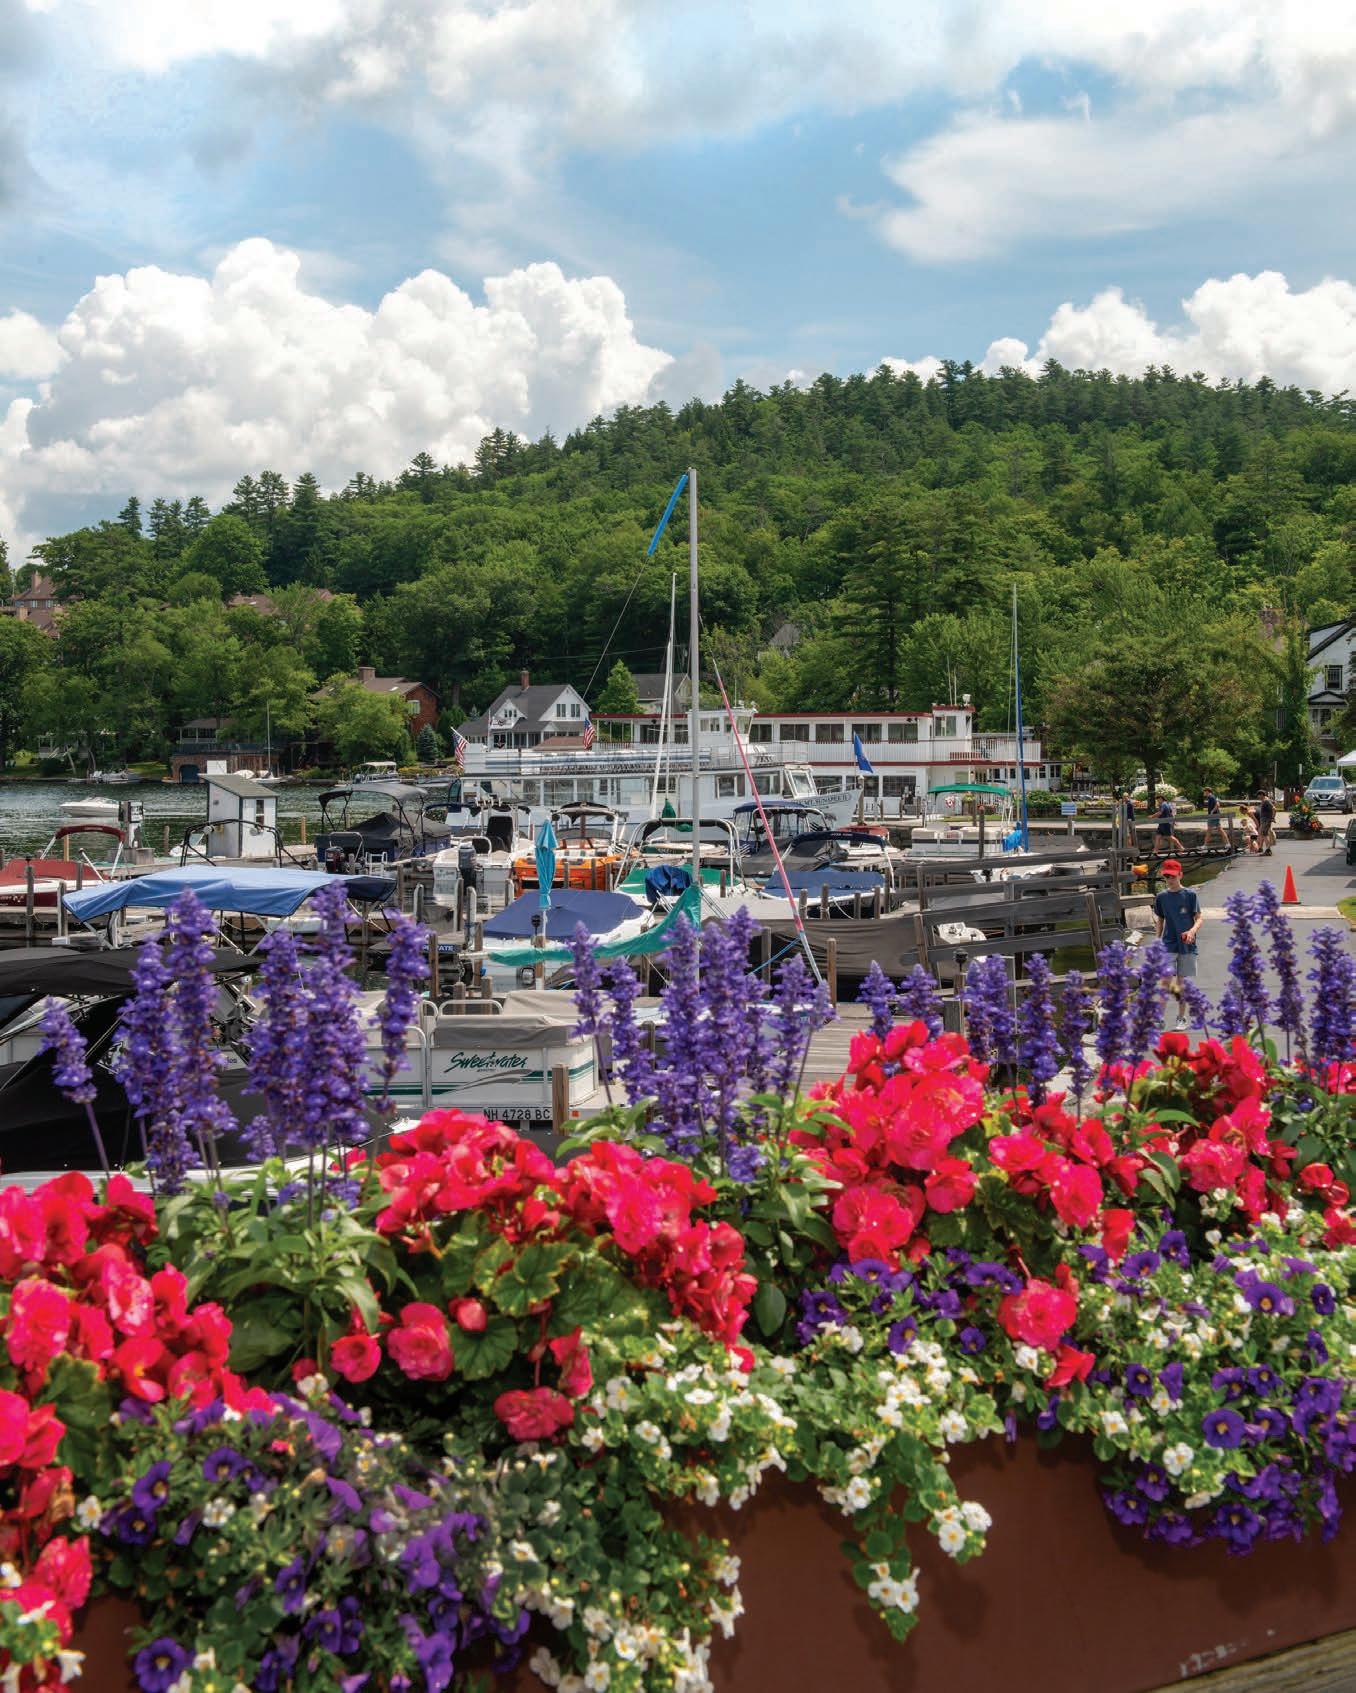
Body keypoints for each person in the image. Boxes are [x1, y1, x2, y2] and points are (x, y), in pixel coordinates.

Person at [1153, 858, 1203, 1026]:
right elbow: (1160, 920)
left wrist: (1192, 931)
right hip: (1168, 944)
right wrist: (1157, 941)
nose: (1170, 879)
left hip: (1187, 945)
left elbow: (1199, 918)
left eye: (1173, 876)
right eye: (1167, 876)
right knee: (1165, 982)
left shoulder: (1190, 895)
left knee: (1182, 984)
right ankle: (1159, 1019)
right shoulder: (1161, 897)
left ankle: (1181, 1018)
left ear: (1180, 875)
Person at [1202, 785, 1226, 850]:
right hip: (1215, 816)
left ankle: (1205, 845)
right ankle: (1228, 843)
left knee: (1209, 831)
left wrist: (1212, 812)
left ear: (1207, 791)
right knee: (1220, 830)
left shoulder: (1211, 797)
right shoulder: (1212, 797)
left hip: (1213, 816)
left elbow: (1217, 805)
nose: (1203, 793)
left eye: (1204, 791)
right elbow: (1217, 804)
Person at [1256, 789, 1276, 857]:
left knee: (1264, 835)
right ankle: (1266, 849)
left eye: (1258, 795)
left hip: (1266, 820)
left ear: (1262, 795)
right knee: (1263, 834)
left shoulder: (1266, 801)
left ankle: (1268, 850)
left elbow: (1274, 809)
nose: (1258, 797)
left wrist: (1272, 818)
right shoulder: (1264, 801)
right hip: (1264, 820)